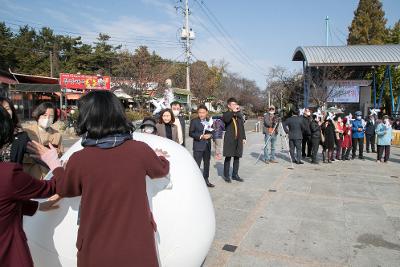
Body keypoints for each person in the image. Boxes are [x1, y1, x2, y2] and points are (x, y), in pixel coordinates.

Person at [30, 91, 170, 267]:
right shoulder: (140, 150)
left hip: (96, 249)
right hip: (136, 249)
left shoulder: (80, 158)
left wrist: (54, 164)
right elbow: (161, 169)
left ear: (88, 118)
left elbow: (66, 188)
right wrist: (158, 156)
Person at [0, 105, 61, 267]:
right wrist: (56, 165)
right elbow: (51, 187)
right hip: (9, 256)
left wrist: (36, 207)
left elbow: (5, 202)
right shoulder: (7, 174)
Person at [23, 102, 64, 179]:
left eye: (51, 116)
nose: (47, 118)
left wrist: (57, 154)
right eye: (45, 115)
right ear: (38, 115)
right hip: (30, 174)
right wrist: (38, 156)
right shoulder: (27, 132)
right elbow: (20, 155)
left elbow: (61, 156)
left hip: (49, 175)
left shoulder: (57, 134)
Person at [189, 105, 215, 187]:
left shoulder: (209, 121)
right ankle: (195, 182)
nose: (201, 114)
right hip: (198, 146)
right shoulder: (194, 121)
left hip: (207, 146)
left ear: (206, 112)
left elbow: (213, 131)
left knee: (207, 164)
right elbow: (191, 133)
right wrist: (201, 136)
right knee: (197, 165)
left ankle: (206, 180)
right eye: (200, 112)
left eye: (203, 112)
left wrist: (210, 135)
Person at [0, 97, 30, 164]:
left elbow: (36, 153)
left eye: (7, 108)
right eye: (1, 109)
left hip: (11, 173)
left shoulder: (21, 135)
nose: (4, 111)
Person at [222, 97, 246, 182]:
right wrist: (233, 112)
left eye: (236, 104)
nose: (235, 105)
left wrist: (244, 137)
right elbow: (226, 120)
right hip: (229, 139)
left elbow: (242, 126)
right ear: (229, 106)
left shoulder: (239, 115)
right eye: (233, 104)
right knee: (228, 157)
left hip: (238, 139)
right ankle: (226, 175)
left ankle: (235, 174)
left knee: (237, 157)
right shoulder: (226, 114)